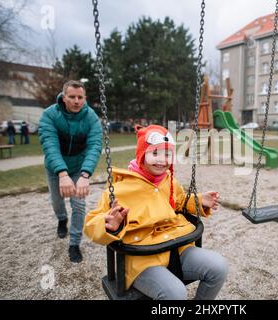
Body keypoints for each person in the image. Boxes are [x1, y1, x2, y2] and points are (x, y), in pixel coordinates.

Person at [84, 125, 229, 300]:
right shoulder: (120, 189)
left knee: (219, 266)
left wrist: (199, 200)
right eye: (155, 153)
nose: (162, 160)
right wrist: (109, 225)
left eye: (167, 154)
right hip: (144, 260)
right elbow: (91, 224)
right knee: (175, 293)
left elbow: (179, 202)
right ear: (141, 155)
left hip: (177, 248)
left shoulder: (169, 180)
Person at [38, 80, 102, 263]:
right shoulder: (50, 115)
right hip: (55, 168)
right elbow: (50, 146)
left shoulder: (91, 117)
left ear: (85, 98)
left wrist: (85, 174)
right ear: (63, 97)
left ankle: (74, 243)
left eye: (80, 97)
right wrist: (62, 174)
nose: (76, 101)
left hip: (79, 167)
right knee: (57, 200)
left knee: (79, 204)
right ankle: (61, 219)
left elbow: (95, 145)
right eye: (72, 97)